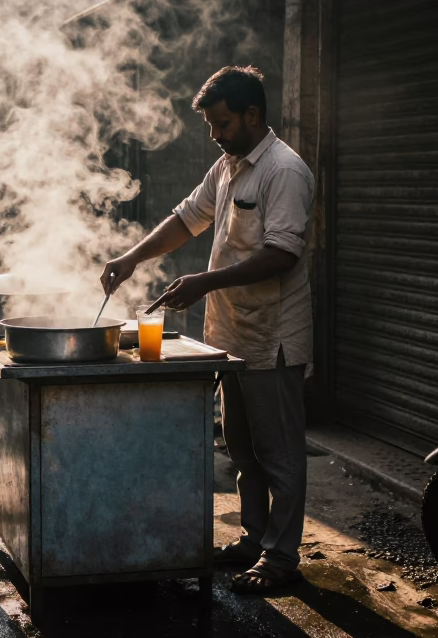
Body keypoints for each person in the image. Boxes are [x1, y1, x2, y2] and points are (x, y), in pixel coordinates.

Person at [101, 66, 315, 594]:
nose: (214, 134)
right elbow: (186, 219)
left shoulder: (283, 170)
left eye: (221, 123)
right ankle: (252, 541)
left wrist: (204, 281)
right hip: (232, 336)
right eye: (210, 125)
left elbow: (283, 254)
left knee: (280, 455)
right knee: (242, 450)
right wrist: (131, 257)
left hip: (273, 338)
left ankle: (281, 559)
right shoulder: (227, 167)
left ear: (252, 115)